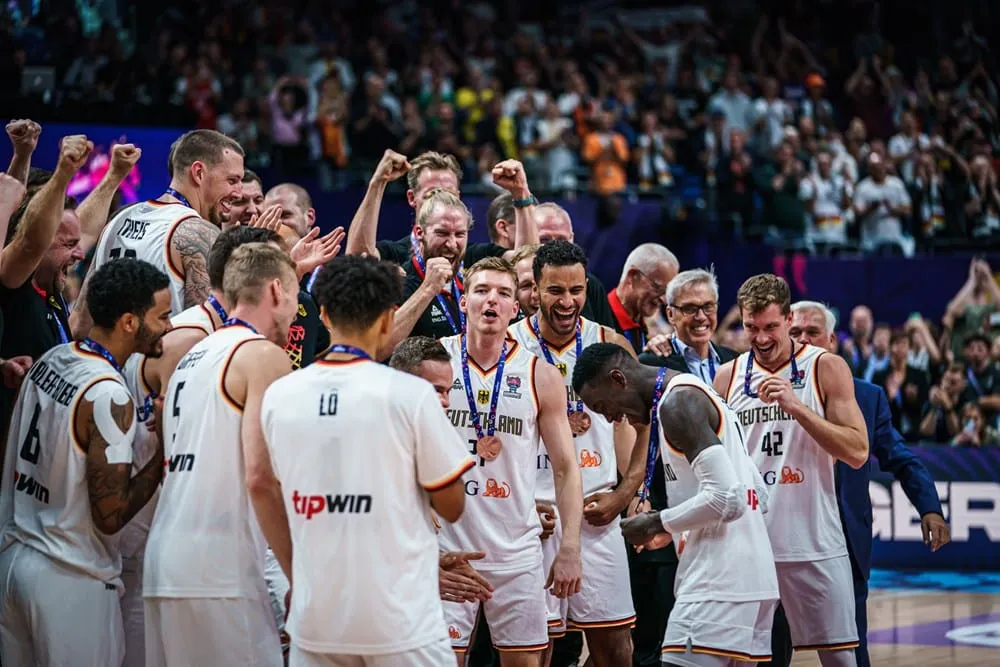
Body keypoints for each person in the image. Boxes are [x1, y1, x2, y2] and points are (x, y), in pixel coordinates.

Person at [262, 256, 476, 666]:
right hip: (399, 618)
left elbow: (265, 490)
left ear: (322, 315)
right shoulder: (410, 395)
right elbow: (452, 505)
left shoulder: (280, 395)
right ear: (388, 318)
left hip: (317, 616)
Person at [117, 225, 283, 666]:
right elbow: (262, 476)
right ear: (278, 290)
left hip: (165, 559)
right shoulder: (262, 354)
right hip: (219, 569)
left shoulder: (192, 351)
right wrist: (301, 570)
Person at [0, 258, 172, 666]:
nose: (168, 325)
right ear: (130, 322)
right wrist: (164, 448)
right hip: (69, 579)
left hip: (14, 561)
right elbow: (110, 515)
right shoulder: (109, 394)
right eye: (162, 315)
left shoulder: (51, 359)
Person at [572, 342, 779, 667]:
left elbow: (728, 498)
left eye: (603, 406)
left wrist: (657, 523)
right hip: (754, 579)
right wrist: (677, 528)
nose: (611, 419)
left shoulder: (677, 405)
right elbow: (755, 494)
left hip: (718, 581)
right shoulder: (694, 393)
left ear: (618, 379)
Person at [772, 300, 950, 667]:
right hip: (778, 541)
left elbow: (901, 458)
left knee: (851, 654)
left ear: (832, 341)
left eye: (812, 333)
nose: (803, 340)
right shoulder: (767, 391)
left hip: (841, 540)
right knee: (769, 653)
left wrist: (930, 507)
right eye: (795, 333)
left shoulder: (867, 396)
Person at [714, 274, 869, 667]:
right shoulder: (727, 376)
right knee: (742, 659)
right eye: (751, 328)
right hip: (750, 542)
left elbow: (857, 451)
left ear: (787, 319)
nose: (761, 338)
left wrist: (798, 408)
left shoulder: (826, 367)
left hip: (813, 538)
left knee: (840, 659)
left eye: (770, 327)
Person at [437, 257, 583, 665]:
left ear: (516, 307)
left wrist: (570, 546)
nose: (492, 301)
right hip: (448, 547)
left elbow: (566, 469)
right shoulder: (434, 362)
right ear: (464, 300)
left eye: (503, 293)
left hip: (517, 550)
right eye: (481, 291)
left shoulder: (540, 374)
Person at [507, 241, 638, 666]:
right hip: (533, 517)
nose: (567, 302)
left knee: (616, 649)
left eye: (576, 290)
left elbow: (638, 425)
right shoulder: (509, 345)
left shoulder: (610, 342)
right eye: (555, 291)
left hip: (596, 510)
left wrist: (626, 494)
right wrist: (517, 504)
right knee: (534, 652)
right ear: (535, 290)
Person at [73, 129, 246, 334]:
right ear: (199, 173)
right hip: (158, 363)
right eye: (232, 181)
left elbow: (79, 323)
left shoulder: (120, 217)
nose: (239, 192)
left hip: (103, 363)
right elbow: (206, 337)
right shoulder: (198, 232)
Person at [609, 244, 679, 353]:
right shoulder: (595, 323)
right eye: (658, 288)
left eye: (668, 293)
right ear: (633, 276)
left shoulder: (644, 332)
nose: (664, 300)